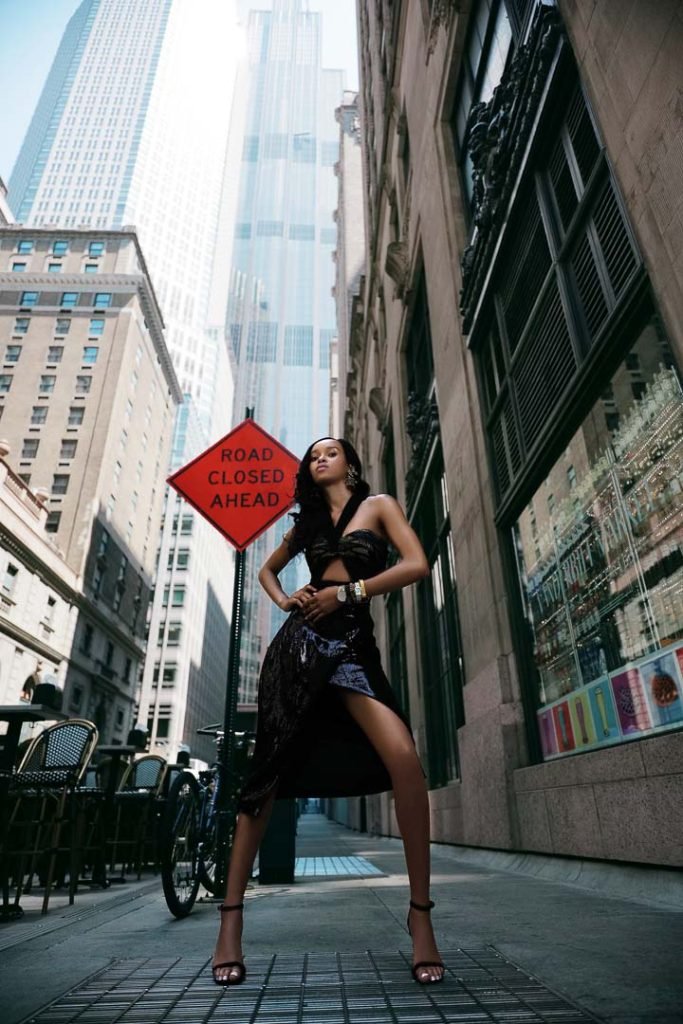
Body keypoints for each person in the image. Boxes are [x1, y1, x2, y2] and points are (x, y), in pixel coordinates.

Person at [212, 436, 445, 987]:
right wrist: (285, 600)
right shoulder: (306, 524)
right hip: (299, 648)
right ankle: (230, 923)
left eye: (330, 452)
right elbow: (270, 573)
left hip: (352, 645)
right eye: (312, 454)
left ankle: (421, 918)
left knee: (404, 761)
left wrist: (349, 593)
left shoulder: (379, 506)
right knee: (264, 782)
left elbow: (418, 565)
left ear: (351, 463)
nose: (319, 458)